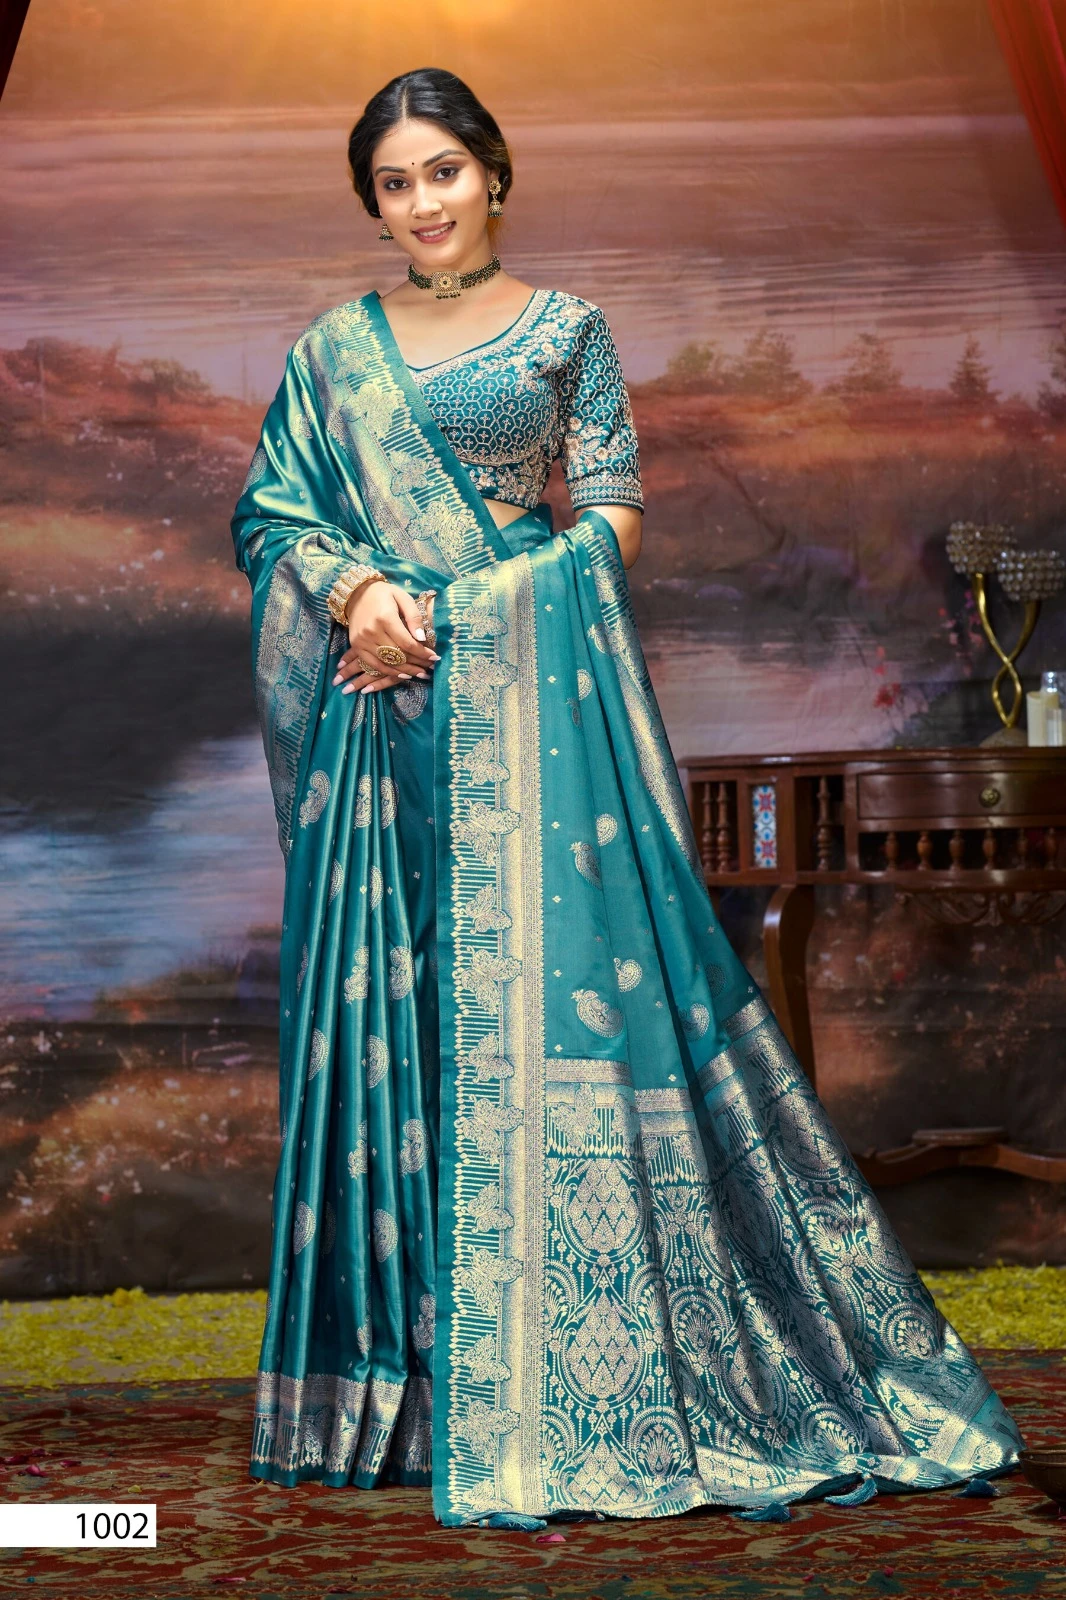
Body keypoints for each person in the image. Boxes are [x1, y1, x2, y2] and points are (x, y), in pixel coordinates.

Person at [231, 67, 1021, 1530]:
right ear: (373, 205)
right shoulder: (331, 351)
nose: (423, 203)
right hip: (380, 727)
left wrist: (457, 613)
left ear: (493, 172)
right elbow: (272, 511)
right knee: (405, 1015)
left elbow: (610, 524)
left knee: (548, 1011)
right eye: (394, 184)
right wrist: (349, 591)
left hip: (533, 720)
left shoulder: (568, 330)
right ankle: (415, 1392)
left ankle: (568, 1375)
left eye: (444, 171)